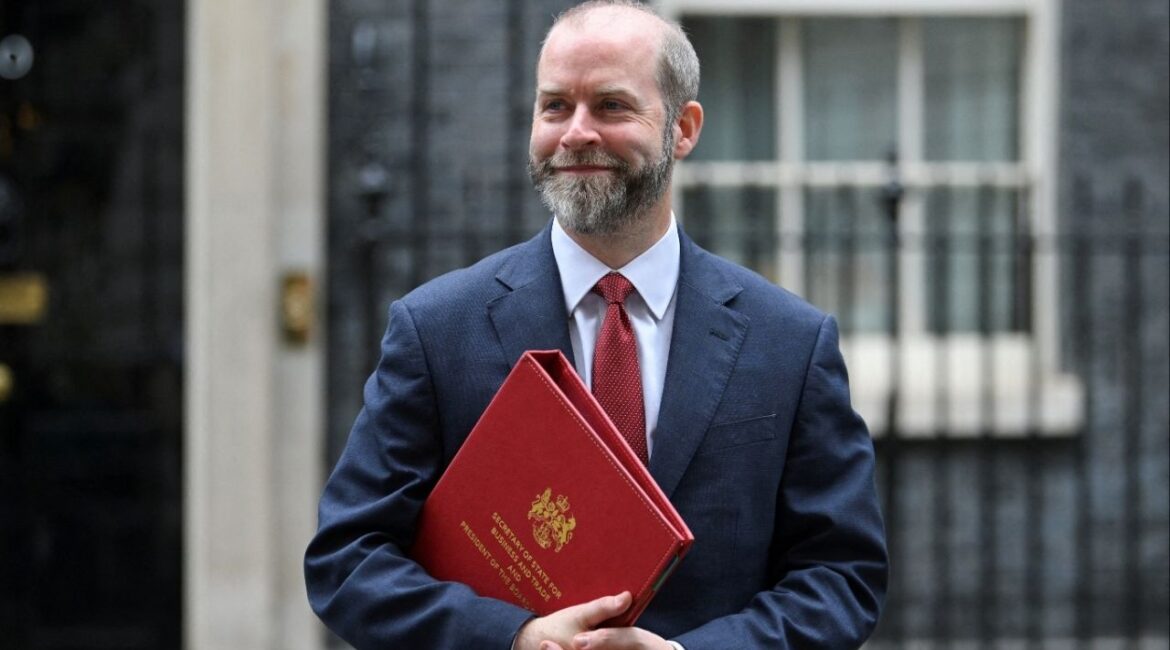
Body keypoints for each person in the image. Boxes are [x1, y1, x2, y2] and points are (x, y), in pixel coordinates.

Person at [304, 1, 888, 648]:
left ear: (684, 128)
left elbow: (842, 577)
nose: (576, 132)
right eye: (555, 106)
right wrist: (515, 639)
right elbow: (348, 561)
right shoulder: (437, 330)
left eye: (611, 106)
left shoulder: (790, 344)